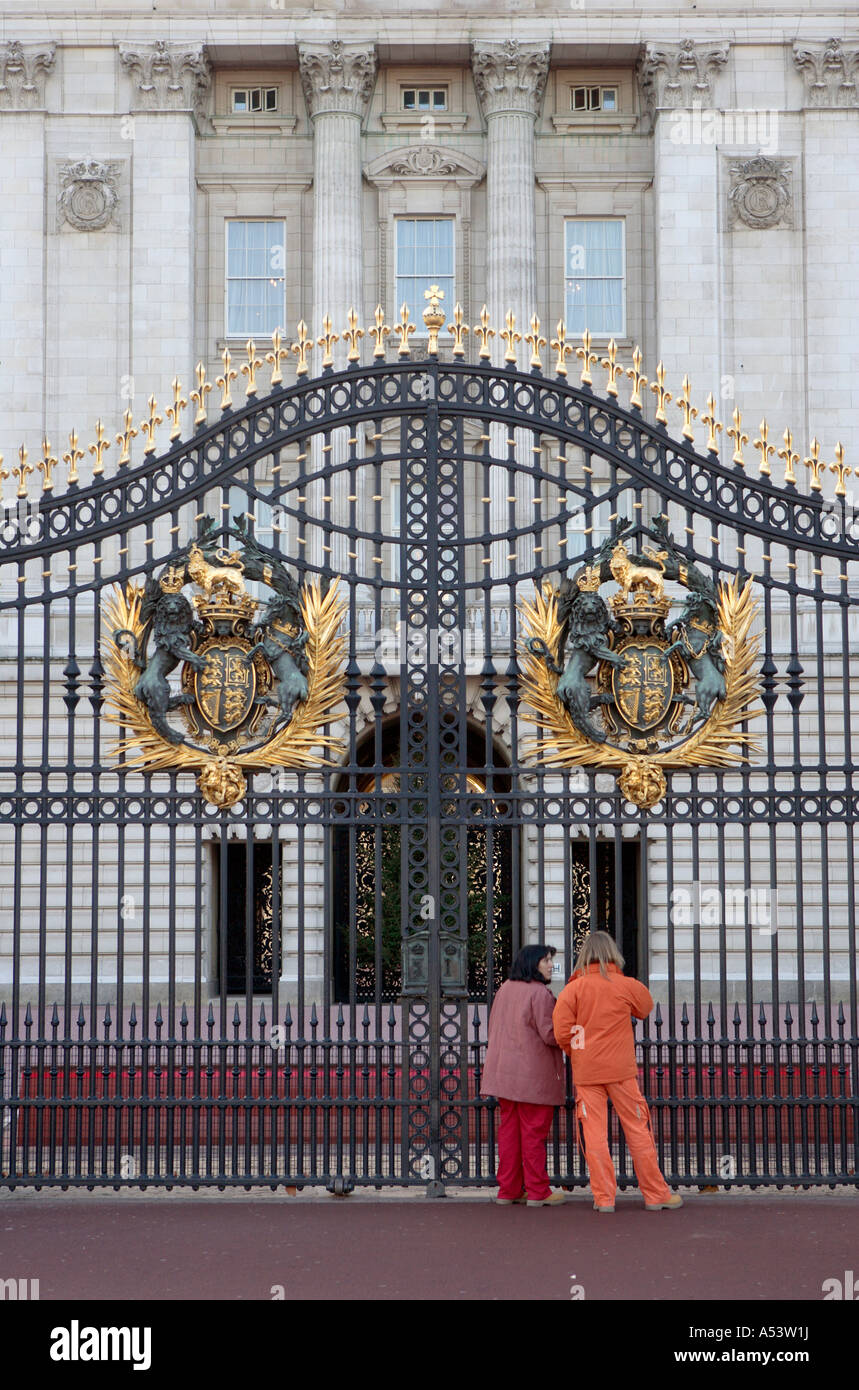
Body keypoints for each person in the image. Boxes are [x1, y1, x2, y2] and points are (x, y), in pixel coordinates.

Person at [552, 930, 682, 1214]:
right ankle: (655, 1194)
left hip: (588, 1072)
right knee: (638, 1130)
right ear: (613, 954)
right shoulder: (626, 985)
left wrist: (580, 1050)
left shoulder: (573, 990)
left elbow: (563, 1032)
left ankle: (604, 1198)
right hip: (621, 1070)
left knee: (595, 1135)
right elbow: (645, 1007)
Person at [481, 943, 566, 1207]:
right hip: (532, 1076)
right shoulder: (539, 994)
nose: (551, 965)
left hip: (503, 1074)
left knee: (510, 1133)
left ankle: (508, 1189)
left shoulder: (505, 988)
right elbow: (551, 1035)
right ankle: (538, 1191)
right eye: (546, 960)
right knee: (533, 1134)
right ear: (533, 964)